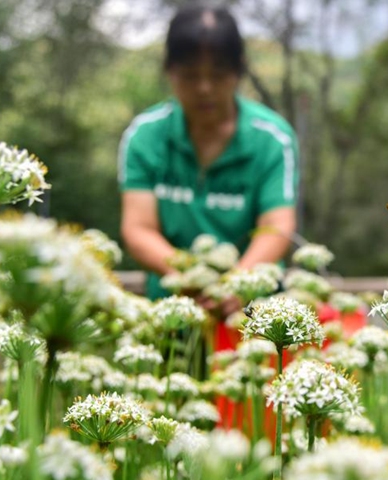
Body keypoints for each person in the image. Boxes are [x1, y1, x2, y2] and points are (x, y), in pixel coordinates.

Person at [118, 4, 298, 429]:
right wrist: (192, 277)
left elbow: (278, 226)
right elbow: (138, 227)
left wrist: (236, 283)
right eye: (188, 75)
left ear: (239, 72)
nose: (204, 88)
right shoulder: (145, 136)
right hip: (172, 316)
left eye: (217, 75)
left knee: (251, 439)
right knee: (169, 436)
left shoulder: (272, 139)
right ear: (168, 72)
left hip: (251, 321)